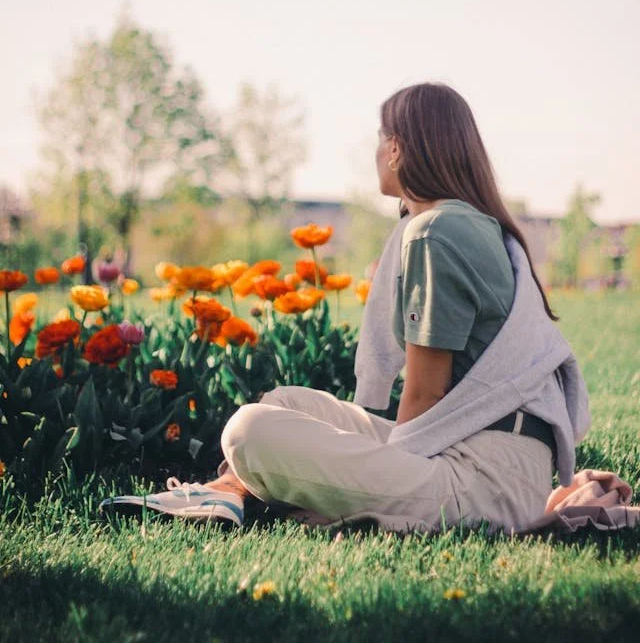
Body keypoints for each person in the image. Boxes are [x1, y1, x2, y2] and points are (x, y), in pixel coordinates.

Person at [100, 82, 590, 535]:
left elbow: (423, 396)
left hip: (483, 483)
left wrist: (375, 471)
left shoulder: (433, 231)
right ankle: (229, 496)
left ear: (397, 148)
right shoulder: (473, 224)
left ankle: (232, 495)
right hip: (490, 455)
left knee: (250, 432)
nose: (377, 152)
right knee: (284, 403)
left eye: (381, 139)